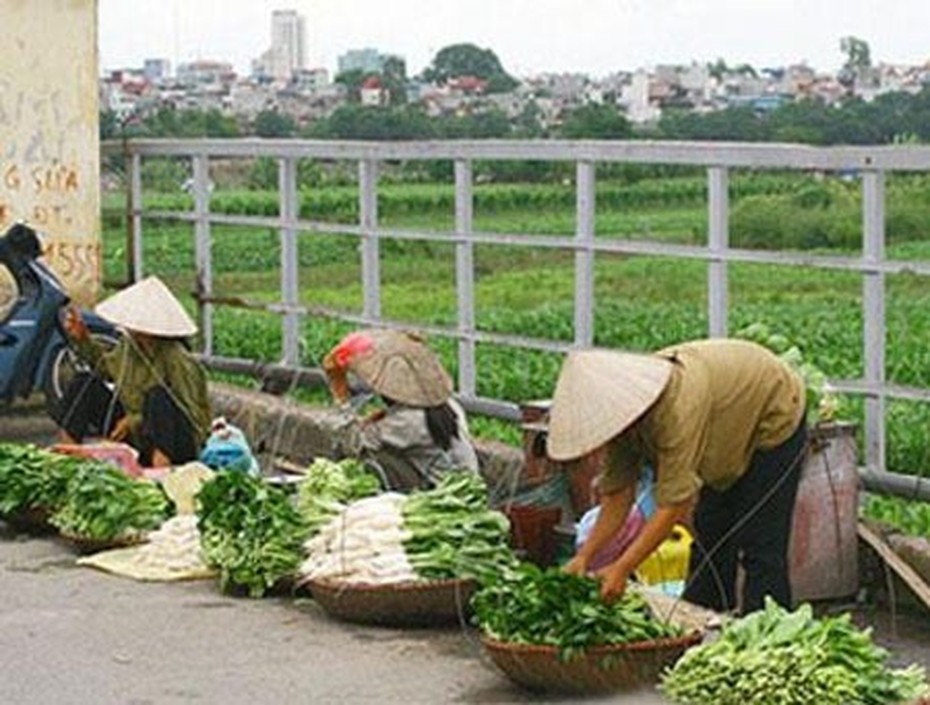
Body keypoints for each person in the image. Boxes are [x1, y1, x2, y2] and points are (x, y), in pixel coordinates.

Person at [548, 338, 807, 614]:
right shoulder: (624, 423)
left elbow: (673, 506)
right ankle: (702, 621)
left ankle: (768, 634)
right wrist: (585, 557)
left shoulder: (676, 410)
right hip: (725, 428)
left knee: (760, 542)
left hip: (773, 413)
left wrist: (622, 568)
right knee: (711, 528)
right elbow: (617, 495)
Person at [51, 276, 211, 468]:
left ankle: (161, 469)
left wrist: (133, 421)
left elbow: (190, 413)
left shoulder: (176, 357)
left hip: (175, 443)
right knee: (83, 382)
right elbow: (106, 368)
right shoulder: (129, 347)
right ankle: (68, 456)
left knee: (157, 397)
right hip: (137, 437)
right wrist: (84, 340)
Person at [323, 329, 479, 492]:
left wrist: (340, 396)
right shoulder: (449, 405)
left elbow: (351, 441)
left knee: (373, 455)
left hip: (447, 492)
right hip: (466, 481)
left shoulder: (407, 421)